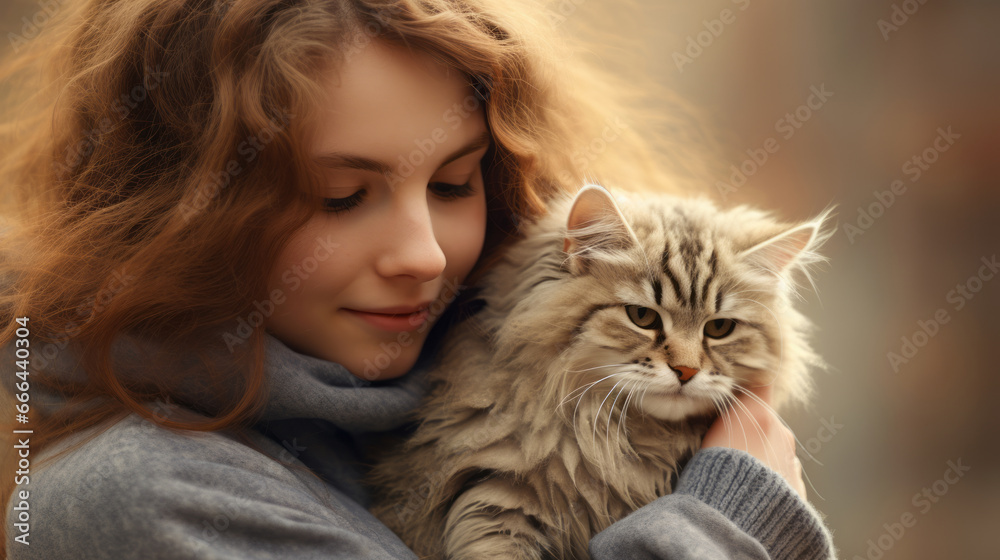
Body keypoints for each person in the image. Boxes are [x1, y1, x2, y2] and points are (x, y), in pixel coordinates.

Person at [0, 0, 836, 558]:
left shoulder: (466, 370)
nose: (426, 255)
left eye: (452, 186)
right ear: (185, 209)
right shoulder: (138, 500)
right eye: (342, 196)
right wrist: (724, 519)